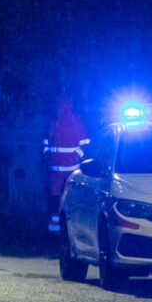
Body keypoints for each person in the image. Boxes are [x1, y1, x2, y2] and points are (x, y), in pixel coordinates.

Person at [43, 95, 89, 234]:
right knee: (57, 198)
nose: (59, 108)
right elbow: (46, 142)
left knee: (65, 199)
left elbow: (84, 143)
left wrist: (74, 158)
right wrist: (48, 157)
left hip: (70, 171)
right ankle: (56, 228)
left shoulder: (75, 124)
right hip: (58, 171)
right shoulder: (55, 124)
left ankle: (63, 229)